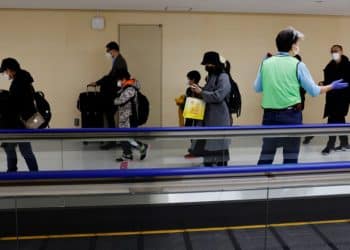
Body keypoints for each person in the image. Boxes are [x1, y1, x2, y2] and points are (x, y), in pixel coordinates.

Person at [254, 27, 348, 165]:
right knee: (290, 155)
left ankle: (261, 180)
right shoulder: (298, 65)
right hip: (290, 116)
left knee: (267, 152)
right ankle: (288, 182)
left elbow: (257, 88)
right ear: (292, 46)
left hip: (269, 116)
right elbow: (314, 91)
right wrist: (332, 86)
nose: (298, 46)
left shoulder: (266, 63)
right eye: (297, 43)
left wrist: (263, 65)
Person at [190, 51, 231, 166]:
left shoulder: (223, 77)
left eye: (208, 64)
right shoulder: (212, 76)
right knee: (209, 144)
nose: (206, 67)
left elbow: (218, 96)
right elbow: (209, 92)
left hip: (219, 119)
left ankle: (220, 169)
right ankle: (209, 166)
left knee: (220, 145)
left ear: (214, 64)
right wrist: (199, 89)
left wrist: (201, 92)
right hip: (209, 118)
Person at [0, 58, 39, 172]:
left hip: (19, 122)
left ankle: (15, 172)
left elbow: (15, 104)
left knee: (19, 148)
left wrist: (4, 96)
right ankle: (33, 173)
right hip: (24, 121)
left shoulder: (18, 83)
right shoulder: (24, 79)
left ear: (10, 70)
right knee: (14, 148)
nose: (6, 75)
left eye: (5, 72)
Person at [89, 41, 128, 150]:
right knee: (110, 115)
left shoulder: (120, 61)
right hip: (115, 93)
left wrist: (97, 82)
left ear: (113, 50)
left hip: (116, 94)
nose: (107, 53)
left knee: (110, 115)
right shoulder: (117, 60)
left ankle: (113, 141)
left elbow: (111, 78)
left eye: (108, 51)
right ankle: (113, 140)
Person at [321, 45, 350, 155]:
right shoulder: (330, 65)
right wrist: (323, 83)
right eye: (332, 51)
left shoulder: (347, 65)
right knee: (338, 119)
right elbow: (329, 81)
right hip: (331, 98)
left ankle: (330, 144)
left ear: (342, 51)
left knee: (333, 120)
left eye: (336, 51)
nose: (334, 53)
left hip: (343, 98)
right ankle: (344, 143)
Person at [114, 70, 148, 162]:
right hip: (125, 117)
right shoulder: (125, 88)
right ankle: (127, 155)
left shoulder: (130, 89)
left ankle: (141, 146)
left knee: (126, 137)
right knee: (123, 137)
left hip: (129, 117)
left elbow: (120, 100)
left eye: (119, 80)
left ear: (124, 79)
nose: (118, 82)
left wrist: (113, 100)